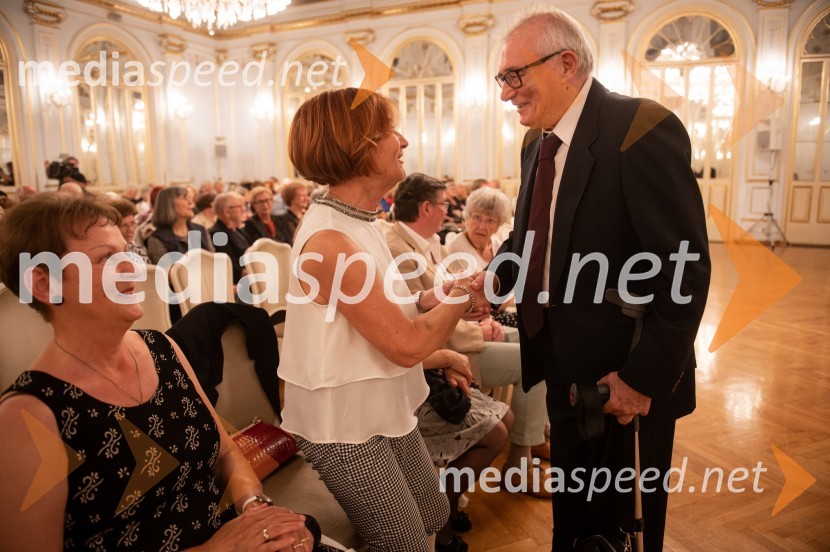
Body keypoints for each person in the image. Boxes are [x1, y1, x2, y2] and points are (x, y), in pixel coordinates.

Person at [483, 7, 711, 550]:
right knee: (576, 521)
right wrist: (489, 282)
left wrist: (641, 379)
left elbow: (686, 269)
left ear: (566, 63)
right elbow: (529, 240)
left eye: (515, 75)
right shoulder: (535, 143)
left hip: (625, 375)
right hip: (560, 364)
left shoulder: (640, 127)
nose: (506, 92)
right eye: (502, 79)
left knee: (623, 528)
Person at [0, 193, 317, 551]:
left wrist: (257, 514)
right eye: (106, 258)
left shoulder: (160, 348)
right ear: (44, 284)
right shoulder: (29, 415)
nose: (133, 268)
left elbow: (226, 453)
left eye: (126, 251)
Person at [279, 87, 489, 552]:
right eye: (389, 131)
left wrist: (443, 295)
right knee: (404, 543)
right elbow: (405, 345)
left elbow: (389, 310)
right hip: (344, 423)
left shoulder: (359, 219)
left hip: (381, 402)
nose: (403, 141)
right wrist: (470, 293)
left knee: (435, 513)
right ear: (356, 146)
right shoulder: (331, 240)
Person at [387, 173, 550, 497]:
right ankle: (520, 462)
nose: (449, 212)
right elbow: (421, 319)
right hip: (445, 348)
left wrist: (475, 317)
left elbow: (442, 300)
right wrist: (474, 325)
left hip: (461, 333)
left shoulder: (425, 244)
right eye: (445, 205)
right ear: (426, 208)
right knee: (537, 358)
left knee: (535, 339)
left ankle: (532, 440)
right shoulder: (398, 250)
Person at [146, 186, 213, 265]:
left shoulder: (200, 230)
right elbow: (167, 273)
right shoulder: (157, 239)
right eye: (185, 198)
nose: (191, 203)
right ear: (169, 204)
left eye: (190, 198)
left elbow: (212, 262)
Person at [209, 192, 251, 285]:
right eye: (239, 206)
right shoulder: (217, 234)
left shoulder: (238, 230)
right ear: (227, 212)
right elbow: (227, 263)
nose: (243, 209)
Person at [98, 196, 151, 264]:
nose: (130, 229)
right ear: (113, 227)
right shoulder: (106, 254)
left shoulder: (139, 249)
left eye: (132, 223)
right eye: (124, 225)